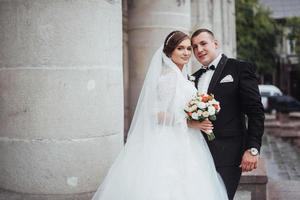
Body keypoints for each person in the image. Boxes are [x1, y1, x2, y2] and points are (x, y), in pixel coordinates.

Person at [91, 31, 228, 200]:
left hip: (188, 139)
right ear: (170, 52)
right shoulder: (169, 77)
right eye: (180, 48)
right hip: (170, 139)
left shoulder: (184, 77)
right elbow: (157, 114)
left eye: (188, 49)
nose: (186, 53)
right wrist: (190, 123)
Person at [190, 28, 265, 200]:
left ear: (215, 44)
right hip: (197, 152)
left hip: (229, 155)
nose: (199, 50)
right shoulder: (192, 78)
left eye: (203, 43)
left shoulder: (239, 68)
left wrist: (252, 149)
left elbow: (255, 111)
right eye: (194, 47)